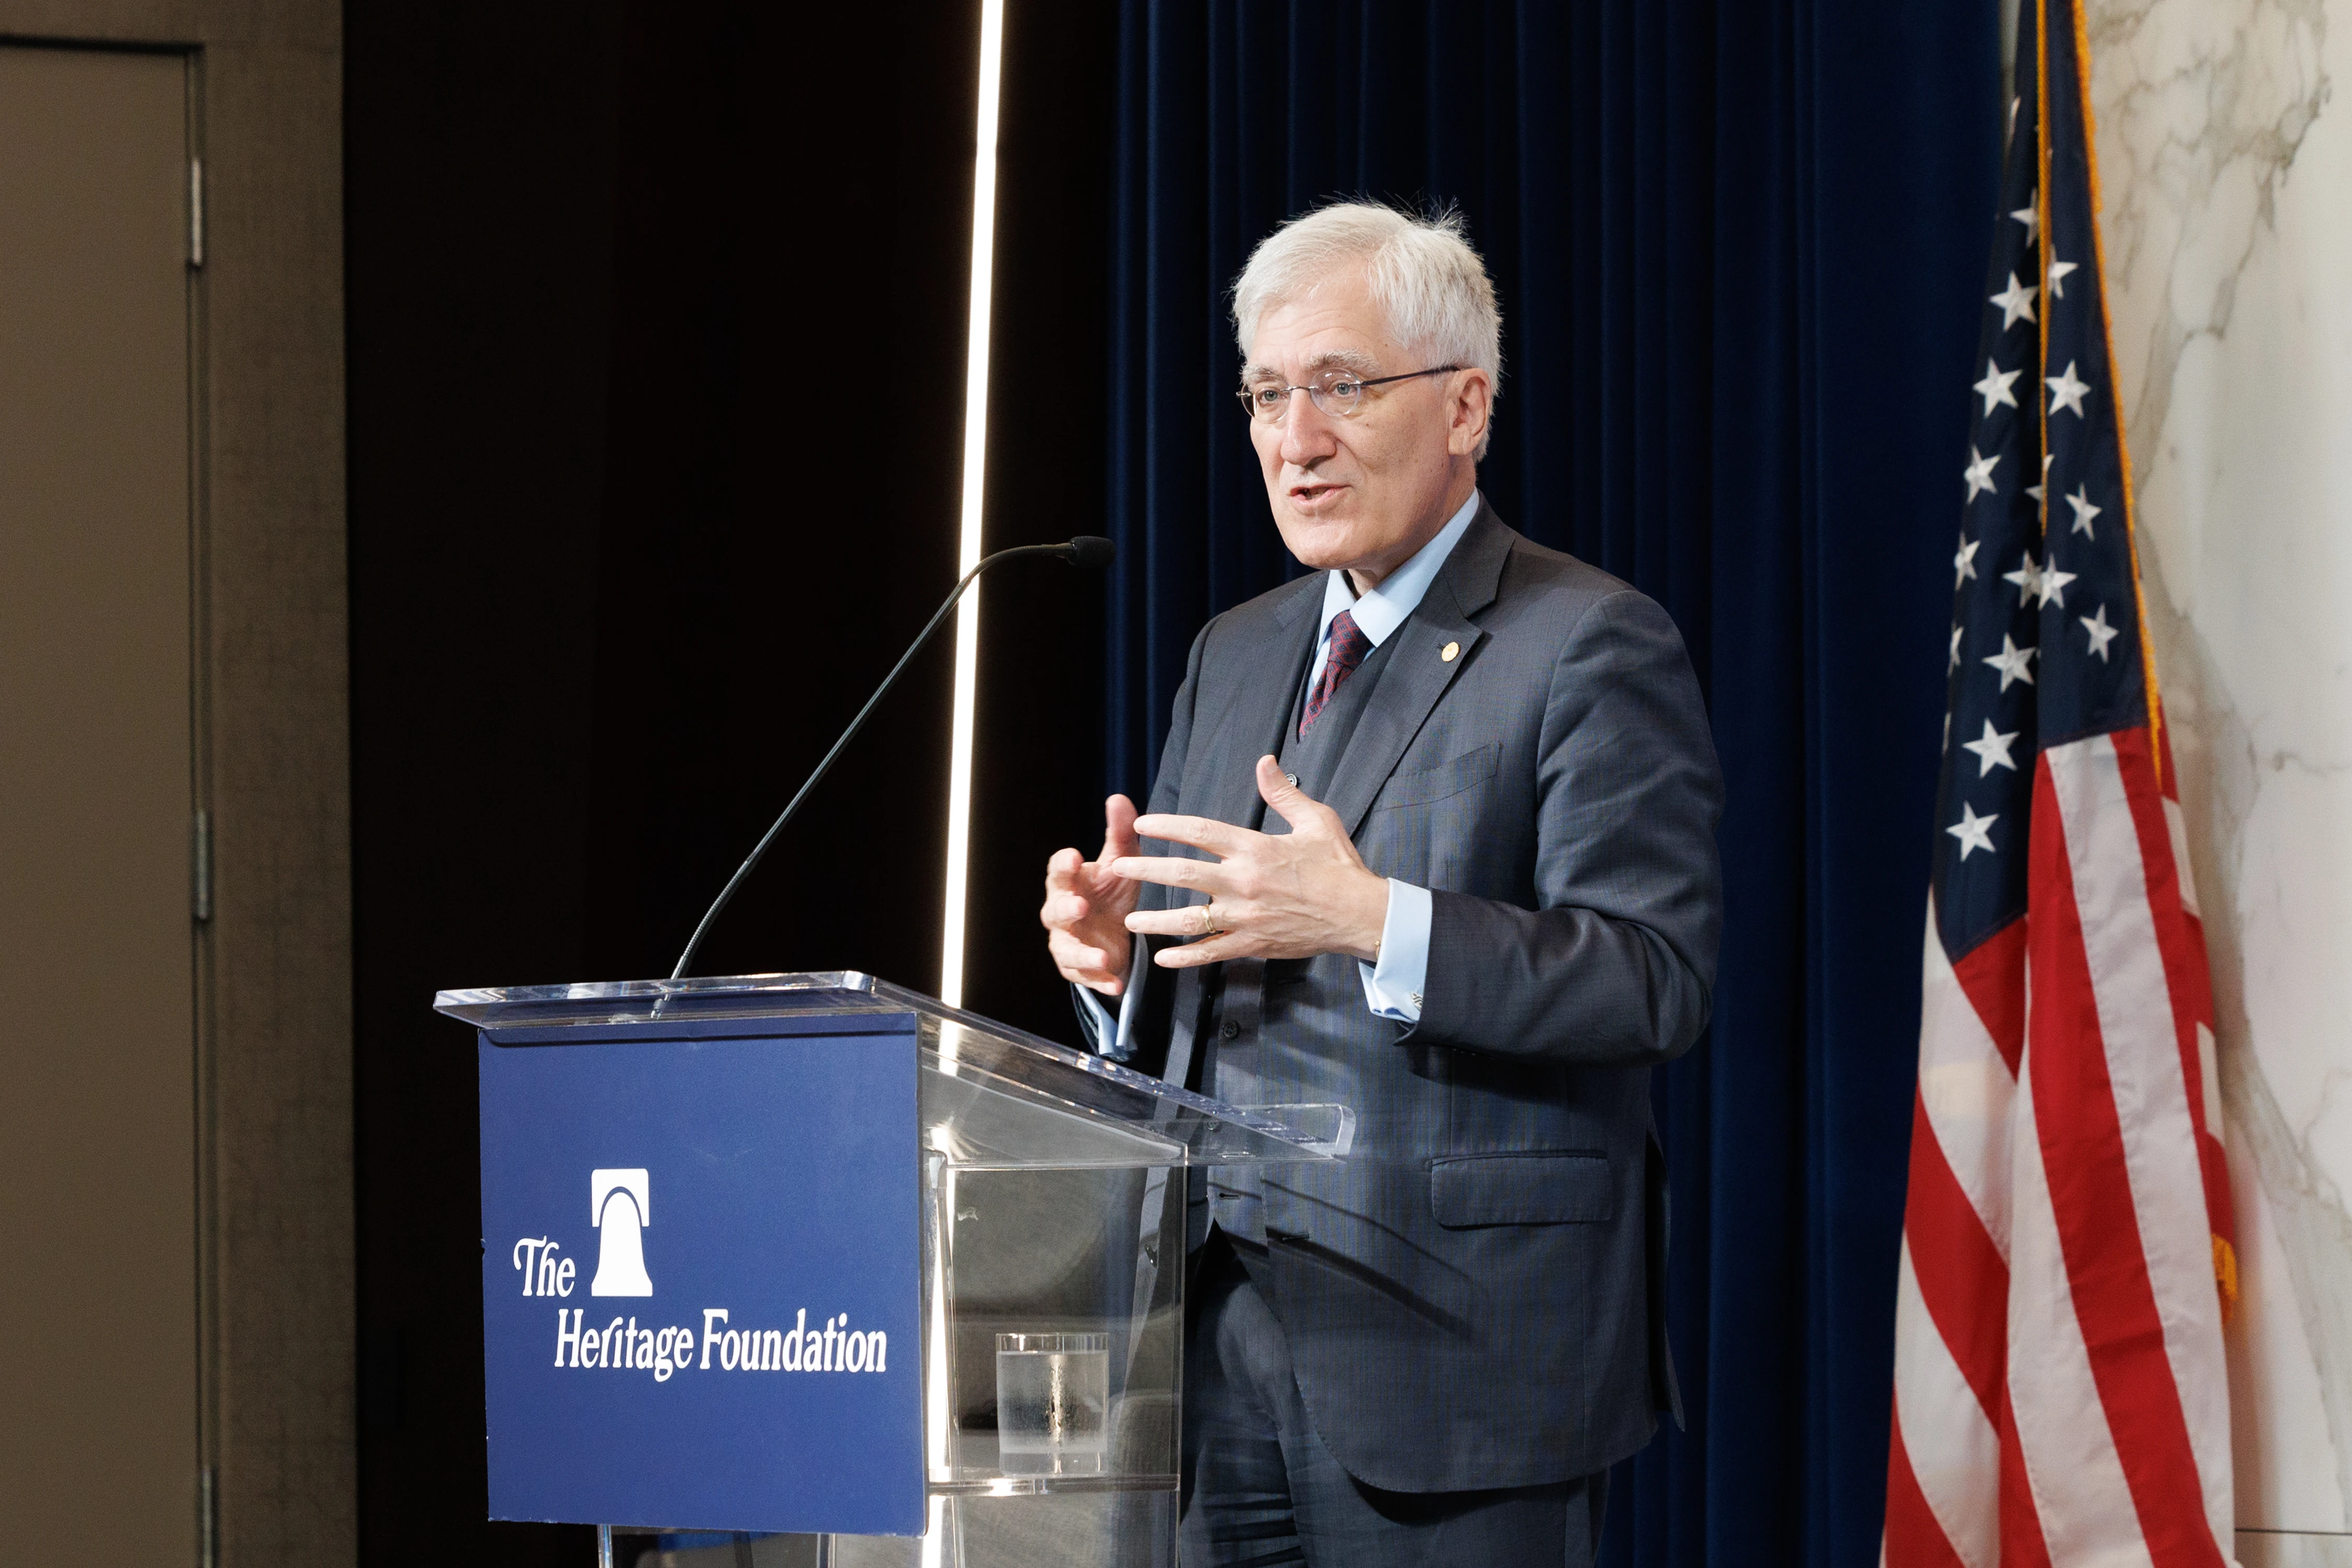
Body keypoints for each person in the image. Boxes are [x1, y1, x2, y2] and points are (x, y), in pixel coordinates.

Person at [1039, 201, 1723, 1567]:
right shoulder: (1231, 652)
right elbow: (1214, 985)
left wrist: (1373, 920)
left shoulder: (1587, 643)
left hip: (1454, 1357)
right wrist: (1119, 976)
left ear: (1465, 405)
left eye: (1342, 387)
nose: (1295, 441)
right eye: (1268, 395)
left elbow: (1655, 980)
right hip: (1214, 1344)